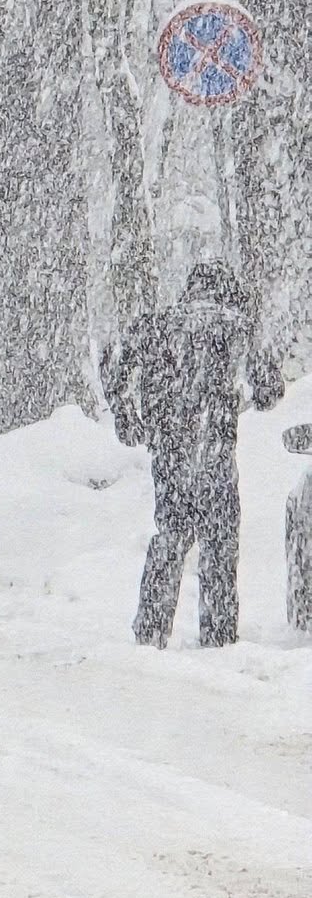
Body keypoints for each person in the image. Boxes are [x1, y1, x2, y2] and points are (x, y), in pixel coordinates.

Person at [105, 260, 283, 648]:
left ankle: (151, 633)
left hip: (170, 453)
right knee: (219, 548)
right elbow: (270, 386)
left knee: (170, 538)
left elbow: (113, 358)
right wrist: (256, 395)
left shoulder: (157, 325)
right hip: (215, 455)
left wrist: (126, 415)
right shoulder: (237, 326)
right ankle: (218, 637)